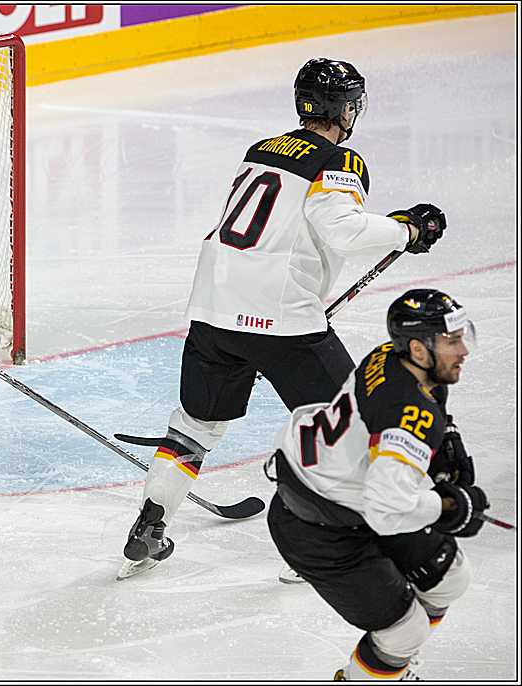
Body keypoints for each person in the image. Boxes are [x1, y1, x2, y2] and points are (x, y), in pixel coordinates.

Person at [118, 58, 448, 578]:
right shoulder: (340, 159)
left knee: (194, 428)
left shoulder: (260, 151)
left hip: (213, 307)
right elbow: (342, 230)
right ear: (343, 108)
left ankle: (150, 524)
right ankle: (326, 546)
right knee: (347, 425)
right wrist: (407, 229)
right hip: (282, 318)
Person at [267, 289, 486, 680]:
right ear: (419, 349)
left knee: (450, 577)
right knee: (405, 630)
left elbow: (408, 409)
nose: (464, 350)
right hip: (317, 528)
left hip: (343, 493)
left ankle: (391, 665)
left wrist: (445, 434)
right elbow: (388, 512)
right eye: (452, 341)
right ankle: (380, 668)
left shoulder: (390, 355)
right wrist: (450, 507)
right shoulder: (410, 412)